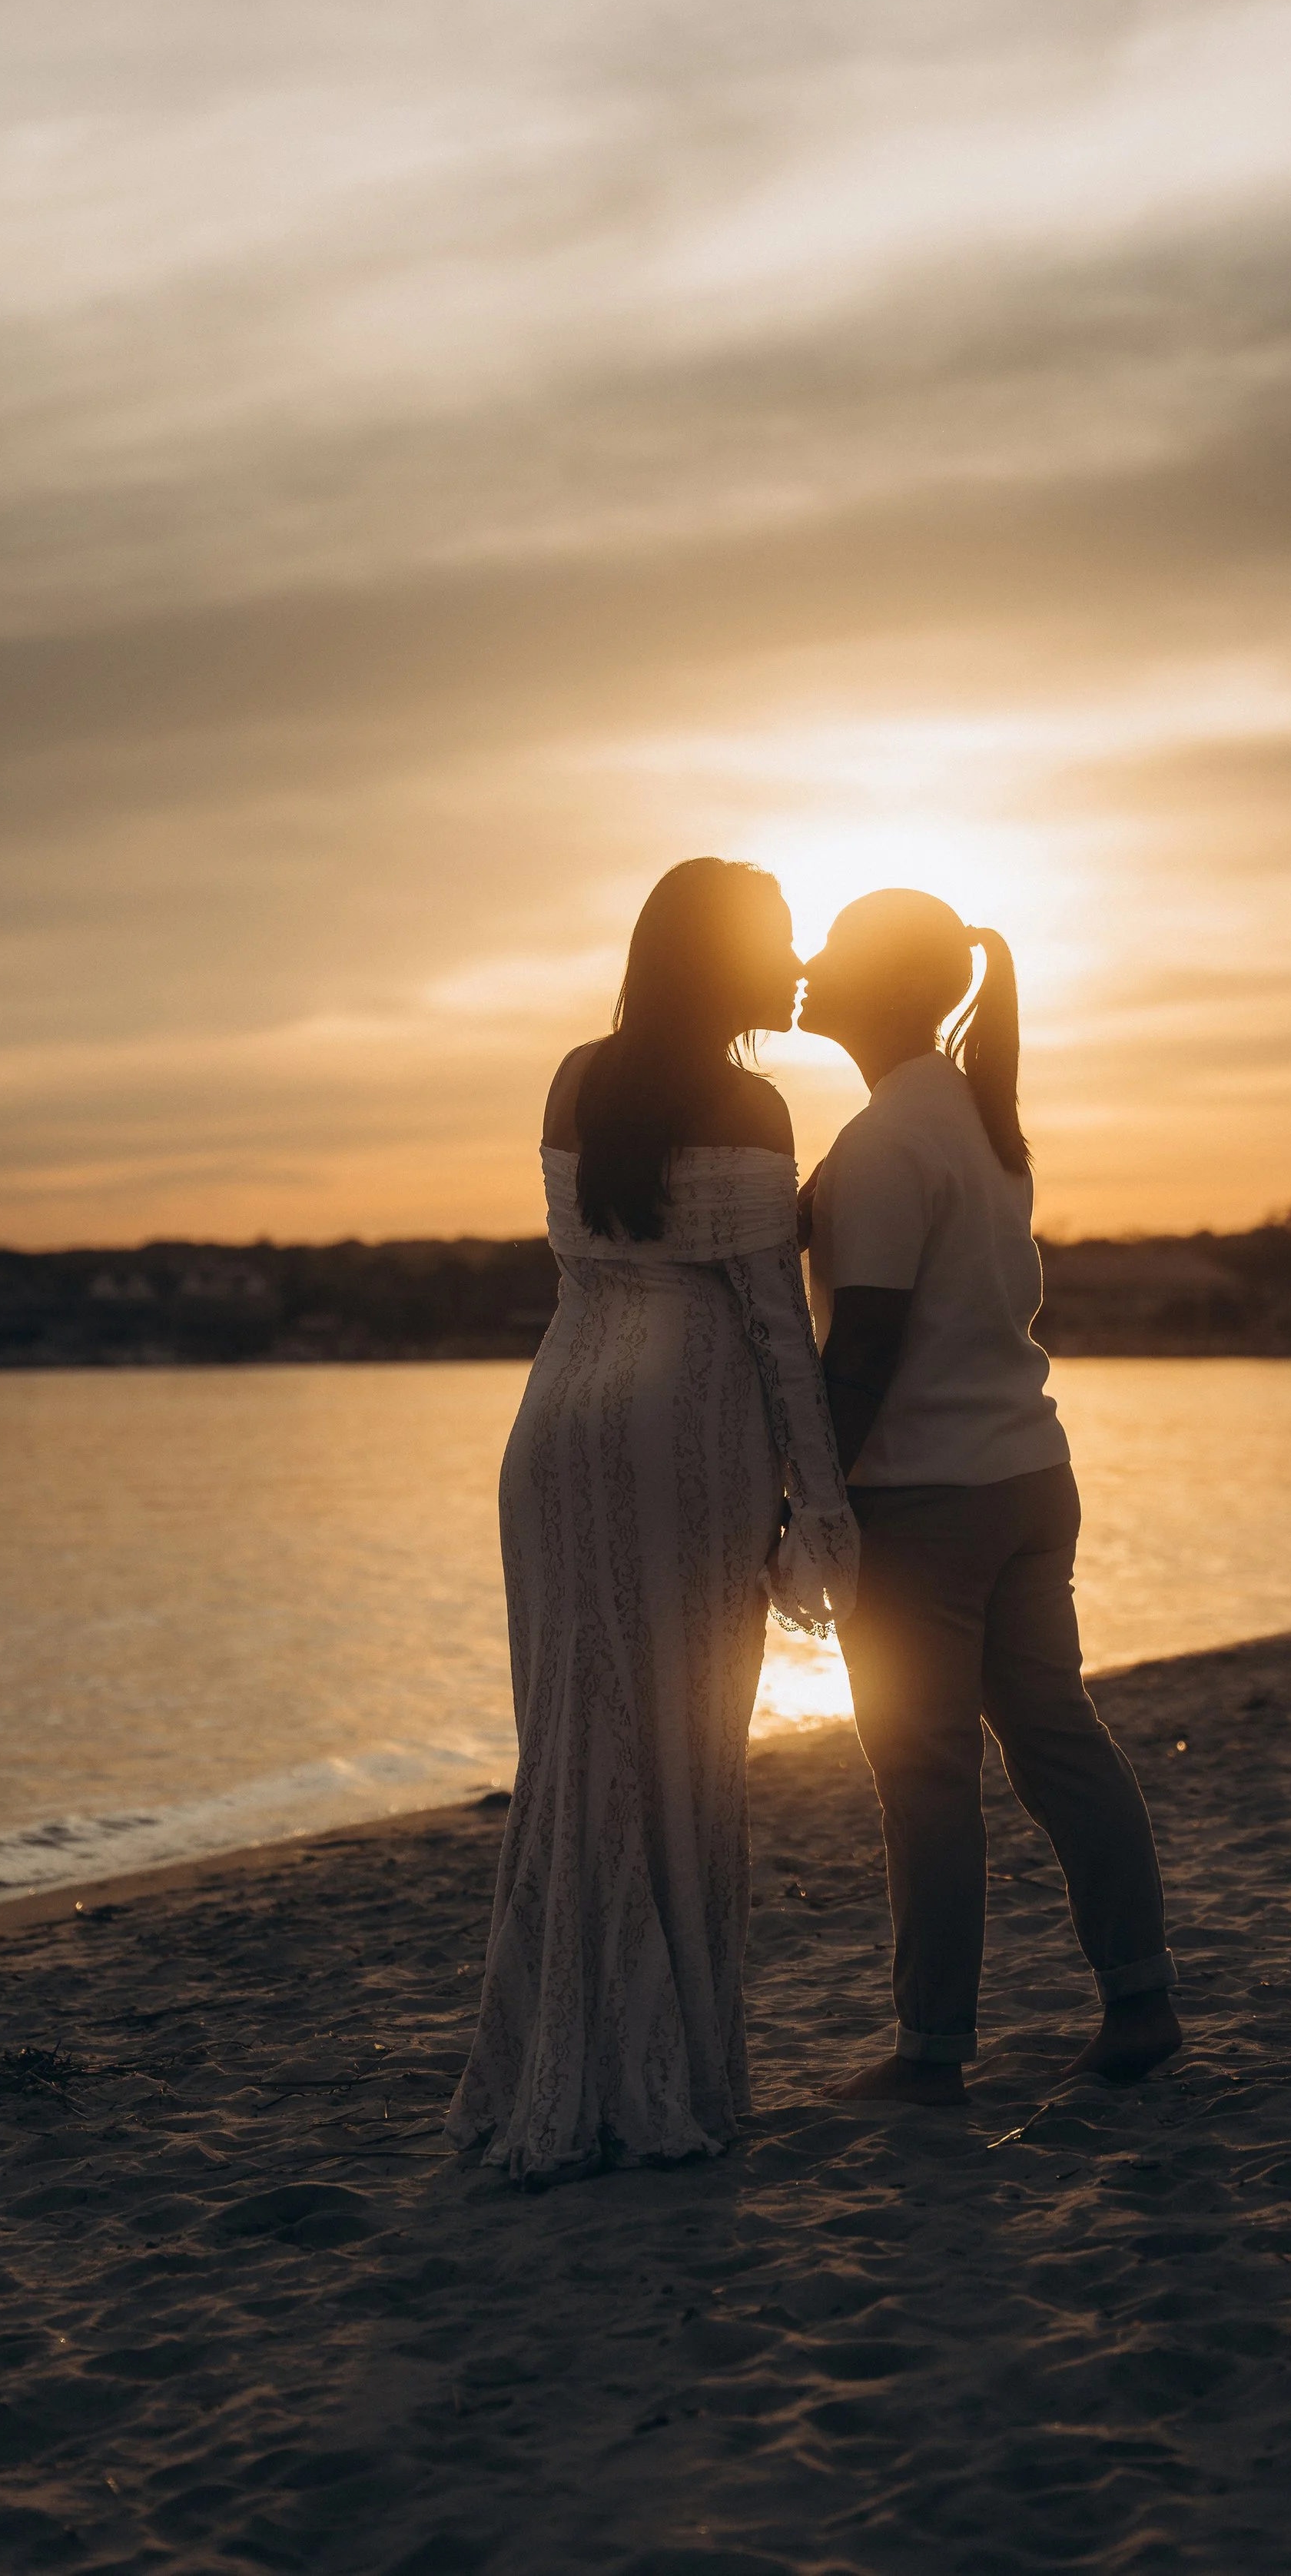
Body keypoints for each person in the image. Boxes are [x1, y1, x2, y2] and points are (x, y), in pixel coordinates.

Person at [448, 859, 858, 2182]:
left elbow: (581, 1258)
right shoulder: (751, 1102)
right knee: (680, 1750)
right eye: (778, 939)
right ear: (721, 959)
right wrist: (822, 1502)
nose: (793, 959)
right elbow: (775, 1325)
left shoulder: (575, 1078)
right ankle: (661, 2063)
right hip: (683, 1426)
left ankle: (544, 2058)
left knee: (571, 1740)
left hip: (557, 1421)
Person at [798, 889, 1180, 2106]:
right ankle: (1142, 2000)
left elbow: (862, 1346)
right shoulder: (972, 1116)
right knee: (1058, 1740)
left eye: (831, 955)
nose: (806, 968)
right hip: (1027, 1474)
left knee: (925, 1775)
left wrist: (801, 1492)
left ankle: (930, 2052)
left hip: (924, 1499)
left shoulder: (884, 1145)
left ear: (883, 987)